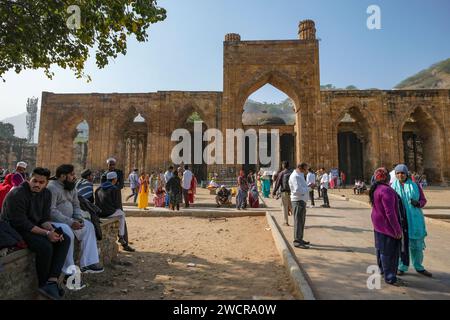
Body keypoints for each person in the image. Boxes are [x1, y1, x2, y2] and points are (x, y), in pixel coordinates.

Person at [1, 167, 70, 300]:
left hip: (34, 227)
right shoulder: (18, 194)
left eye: (41, 182)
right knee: (45, 246)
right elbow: (22, 223)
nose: (37, 184)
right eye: (35, 181)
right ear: (28, 179)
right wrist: (46, 233)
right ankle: (44, 285)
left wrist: (52, 231)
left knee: (63, 239)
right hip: (14, 229)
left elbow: (44, 218)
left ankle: (52, 281)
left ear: (46, 183)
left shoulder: (46, 194)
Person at [47, 164, 104, 277]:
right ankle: (68, 270)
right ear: (63, 176)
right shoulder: (52, 188)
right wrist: (70, 222)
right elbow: (51, 211)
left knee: (88, 226)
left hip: (71, 220)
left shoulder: (71, 187)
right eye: (72, 174)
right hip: (55, 222)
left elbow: (76, 205)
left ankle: (88, 263)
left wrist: (78, 218)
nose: (74, 177)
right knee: (68, 233)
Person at [392, 164, 432, 277]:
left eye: (402, 173)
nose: (400, 175)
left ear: (406, 174)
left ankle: (418, 266)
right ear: (395, 174)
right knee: (402, 244)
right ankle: (402, 266)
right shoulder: (391, 187)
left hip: (415, 219)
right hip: (400, 219)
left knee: (417, 245)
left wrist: (418, 203)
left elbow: (423, 200)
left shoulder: (415, 185)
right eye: (398, 173)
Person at [369, 167, 405, 286]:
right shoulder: (386, 190)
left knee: (381, 249)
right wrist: (397, 229)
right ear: (388, 178)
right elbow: (390, 213)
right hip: (386, 226)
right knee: (390, 253)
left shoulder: (376, 189)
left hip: (378, 225)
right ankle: (390, 277)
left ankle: (382, 270)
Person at [95, 171, 135, 252]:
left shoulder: (98, 188)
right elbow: (117, 205)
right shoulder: (114, 189)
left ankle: (121, 237)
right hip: (108, 213)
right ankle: (121, 237)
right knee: (122, 215)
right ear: (114, 179)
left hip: (99, 213)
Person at [289, 163, 310, 249]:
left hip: (301, 200)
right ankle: (297, 241)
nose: (306, 171)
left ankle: (300, 238)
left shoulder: (299, 175)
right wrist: (309, 188)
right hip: (298, 201)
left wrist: (308, 187)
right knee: (298, 221)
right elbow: (298, 190)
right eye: (305, 169)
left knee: (301, 221)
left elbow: (302, 187)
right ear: (300, 168)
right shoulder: (295, 176)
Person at [272, 161, 293, 226]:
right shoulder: (292, 173)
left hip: (284, 192)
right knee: (292, 206)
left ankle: (286, 222)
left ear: (283, 165)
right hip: (292, 192)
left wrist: (274, 191)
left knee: (284, 206)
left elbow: (278, 183)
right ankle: (297, 220)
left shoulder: (282, 173)